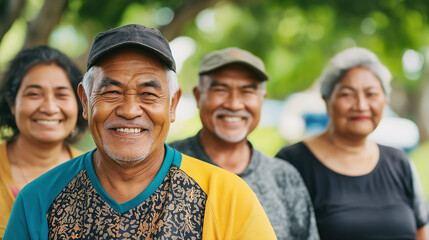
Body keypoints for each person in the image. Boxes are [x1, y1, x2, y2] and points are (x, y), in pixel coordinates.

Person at [4, 24, 276, 239]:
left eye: (148, 93)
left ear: (172, 104)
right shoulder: (38, 200)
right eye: (111, 92)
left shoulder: (227, 197)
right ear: (85, 102)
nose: (130, 109)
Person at [275, 47, 429, 240]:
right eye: (347, 94)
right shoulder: (292, 163)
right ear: (326, 100)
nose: (361, 106)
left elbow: (421, 231)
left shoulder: (398, 161)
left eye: (371, 94)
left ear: (385, 101)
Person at [170, 47, 319, 240]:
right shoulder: (165, 164)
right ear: (198, 96)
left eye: (247, 91)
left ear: (262, 99)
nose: (234, 104)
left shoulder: (284, 177)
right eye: (220, 90)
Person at [0, 45, 87, 237]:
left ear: (81, 102)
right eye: (34, 94)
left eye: (61, 95)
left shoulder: (100, 175)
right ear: (11, 103)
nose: (49, 108)